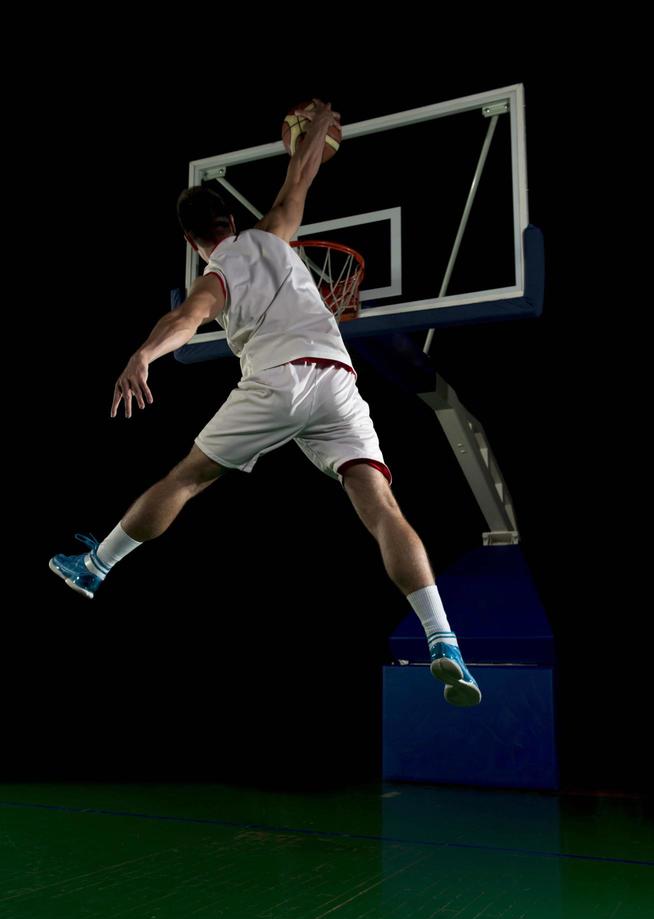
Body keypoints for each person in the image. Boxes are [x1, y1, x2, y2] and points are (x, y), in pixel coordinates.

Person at [49, 99, 481, 708]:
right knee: (383, 507)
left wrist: (144, 354)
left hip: (276, 381)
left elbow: (183, 319)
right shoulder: (275, 233)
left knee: (187, 479)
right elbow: (301, 177)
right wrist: (311, 137)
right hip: (338, 383)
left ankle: (95, 564)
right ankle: (444, 638)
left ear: (192, 240)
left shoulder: (215, 276)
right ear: (230, 218)